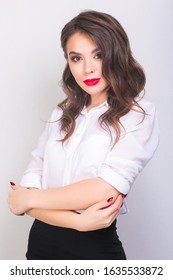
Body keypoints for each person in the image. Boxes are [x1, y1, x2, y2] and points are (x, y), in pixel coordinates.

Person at [8, 10, 159, 260]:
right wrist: (78, 222)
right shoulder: (61, 113)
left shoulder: (138, 114)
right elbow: (29, 184)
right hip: (40, 247)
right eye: (76, 58)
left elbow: (103, 189)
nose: (88, 68)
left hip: (93, 251)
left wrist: (29, 200)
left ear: (116, 55)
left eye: (98, 55)